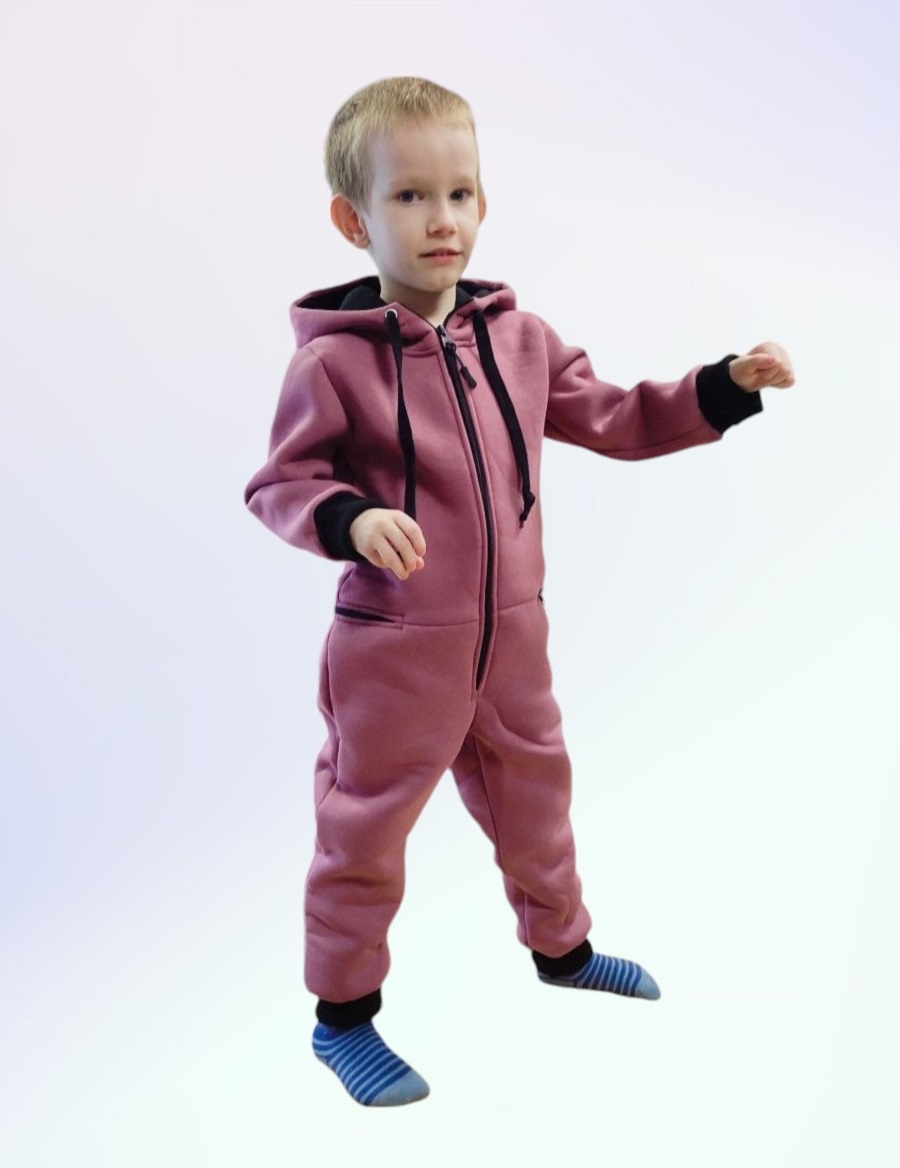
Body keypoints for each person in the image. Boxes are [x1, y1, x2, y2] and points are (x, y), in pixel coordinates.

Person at [244, 76, 795, 1108]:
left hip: (514, 639)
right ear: (353, 221)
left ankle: (563, 949)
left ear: (484, 204)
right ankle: (343, 1017)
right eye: (409, 196)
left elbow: (619, 417)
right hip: (395, 647)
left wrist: (723, 387)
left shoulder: (521, 340)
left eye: (459, 193)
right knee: (364, 830)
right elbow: (280, 484)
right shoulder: (331, 365)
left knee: (538, 798)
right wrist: (350, 519)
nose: (440, 218)